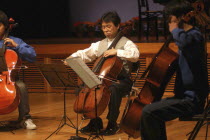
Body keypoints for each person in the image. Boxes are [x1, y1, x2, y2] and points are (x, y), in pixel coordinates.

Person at [139, 1, 209, 140]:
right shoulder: (186, 40)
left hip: (192, 99)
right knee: (152, 112)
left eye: (171, 19)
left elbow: (184, 41)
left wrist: (175, 28)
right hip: (183, 97)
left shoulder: (195, 36)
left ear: (183, 17)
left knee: (148, 112)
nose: (169, 23)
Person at [65, 11, 140, 136]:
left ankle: (112, 123)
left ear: (117, 26)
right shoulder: (100, 44)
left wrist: (117, 52)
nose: (106, 30)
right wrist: (71, 58)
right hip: (103, 80)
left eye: (109, 26)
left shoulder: (127, 43)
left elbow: (135, 56)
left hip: (122, 80)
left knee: (114, 89)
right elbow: (85, 53)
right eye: (103, 27)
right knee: (82, 88)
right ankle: (95, 122)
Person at [0, 10, 37, 130]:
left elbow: (32, 56)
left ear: (5, 26)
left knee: (21, 87)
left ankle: (25, 118)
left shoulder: (15, 41)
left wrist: (17, 46)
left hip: (10, 79)